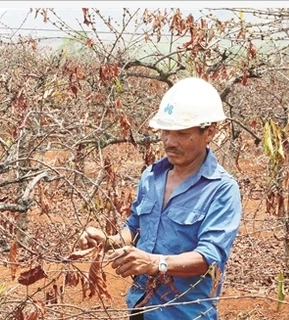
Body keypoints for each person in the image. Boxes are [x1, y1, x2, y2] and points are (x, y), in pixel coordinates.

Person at [78, 77, 242, 319]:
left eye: (181, 133)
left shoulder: (222, 190)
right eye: (165, 131)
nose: (169, 141)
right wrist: (108, 240)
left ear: (209, 132)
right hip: (140, 307)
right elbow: (135, 228)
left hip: (184, 313)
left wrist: (156, 263)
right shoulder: (151, 176)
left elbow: (208, 257)